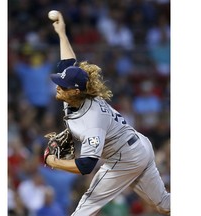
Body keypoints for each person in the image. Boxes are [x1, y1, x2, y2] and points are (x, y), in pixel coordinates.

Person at [44, 11, 170, 216]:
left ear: (75, 91)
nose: (58, 87)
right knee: (164, 204)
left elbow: (86, 165)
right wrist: (62, 33)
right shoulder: (77, 94)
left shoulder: (91, 119)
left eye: (62, 85)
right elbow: (67, 63)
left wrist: (52, 162)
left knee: (85, 207)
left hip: (125, 157)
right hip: (138, 145)